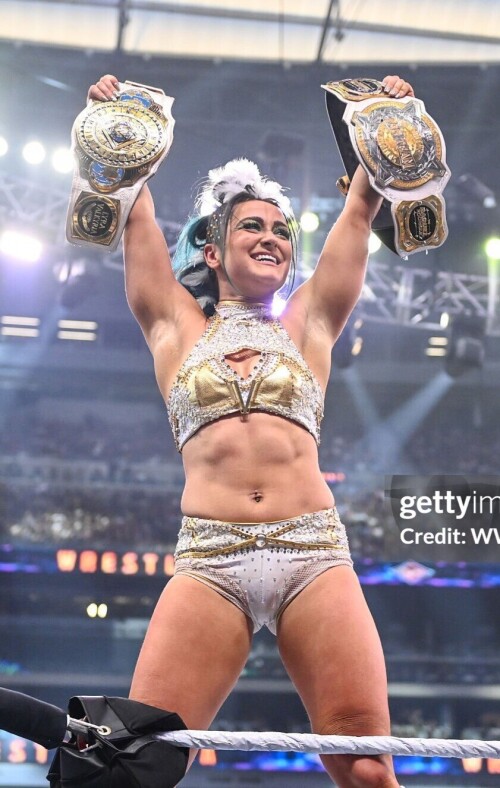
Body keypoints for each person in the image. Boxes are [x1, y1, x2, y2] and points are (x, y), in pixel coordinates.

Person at [88, 73, 415, 788]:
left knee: (365, 767)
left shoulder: (309, 324)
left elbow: (362, 207)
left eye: (281, 231)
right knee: (133, 765)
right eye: (252, 226)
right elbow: (133, 213)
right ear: (212, 250)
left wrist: (385, 119)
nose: (272, 238)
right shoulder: (175, 326)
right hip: (211, 560)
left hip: (312, 552)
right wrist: (116, 121)